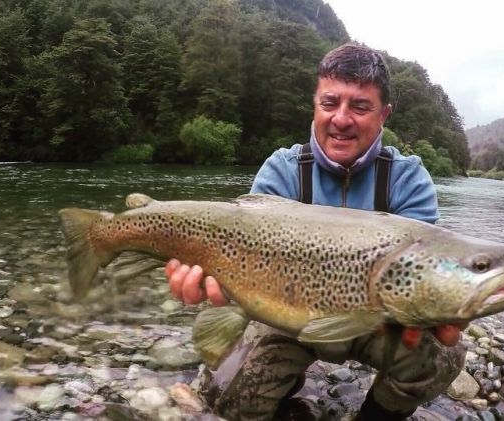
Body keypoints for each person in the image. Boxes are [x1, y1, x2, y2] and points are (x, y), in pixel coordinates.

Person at [166, 42, 466, 420]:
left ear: (384, 114)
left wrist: (446, 304)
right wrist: (213, 279)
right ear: (315, 105)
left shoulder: (407, 179)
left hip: (376, 323)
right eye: (330, 103)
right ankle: (287, 388)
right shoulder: (282, 171)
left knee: (443, 355)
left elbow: (423, 272)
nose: (341, 119)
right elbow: (237, 260)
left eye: (359, 106)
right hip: (286, 319)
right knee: (225, 392)